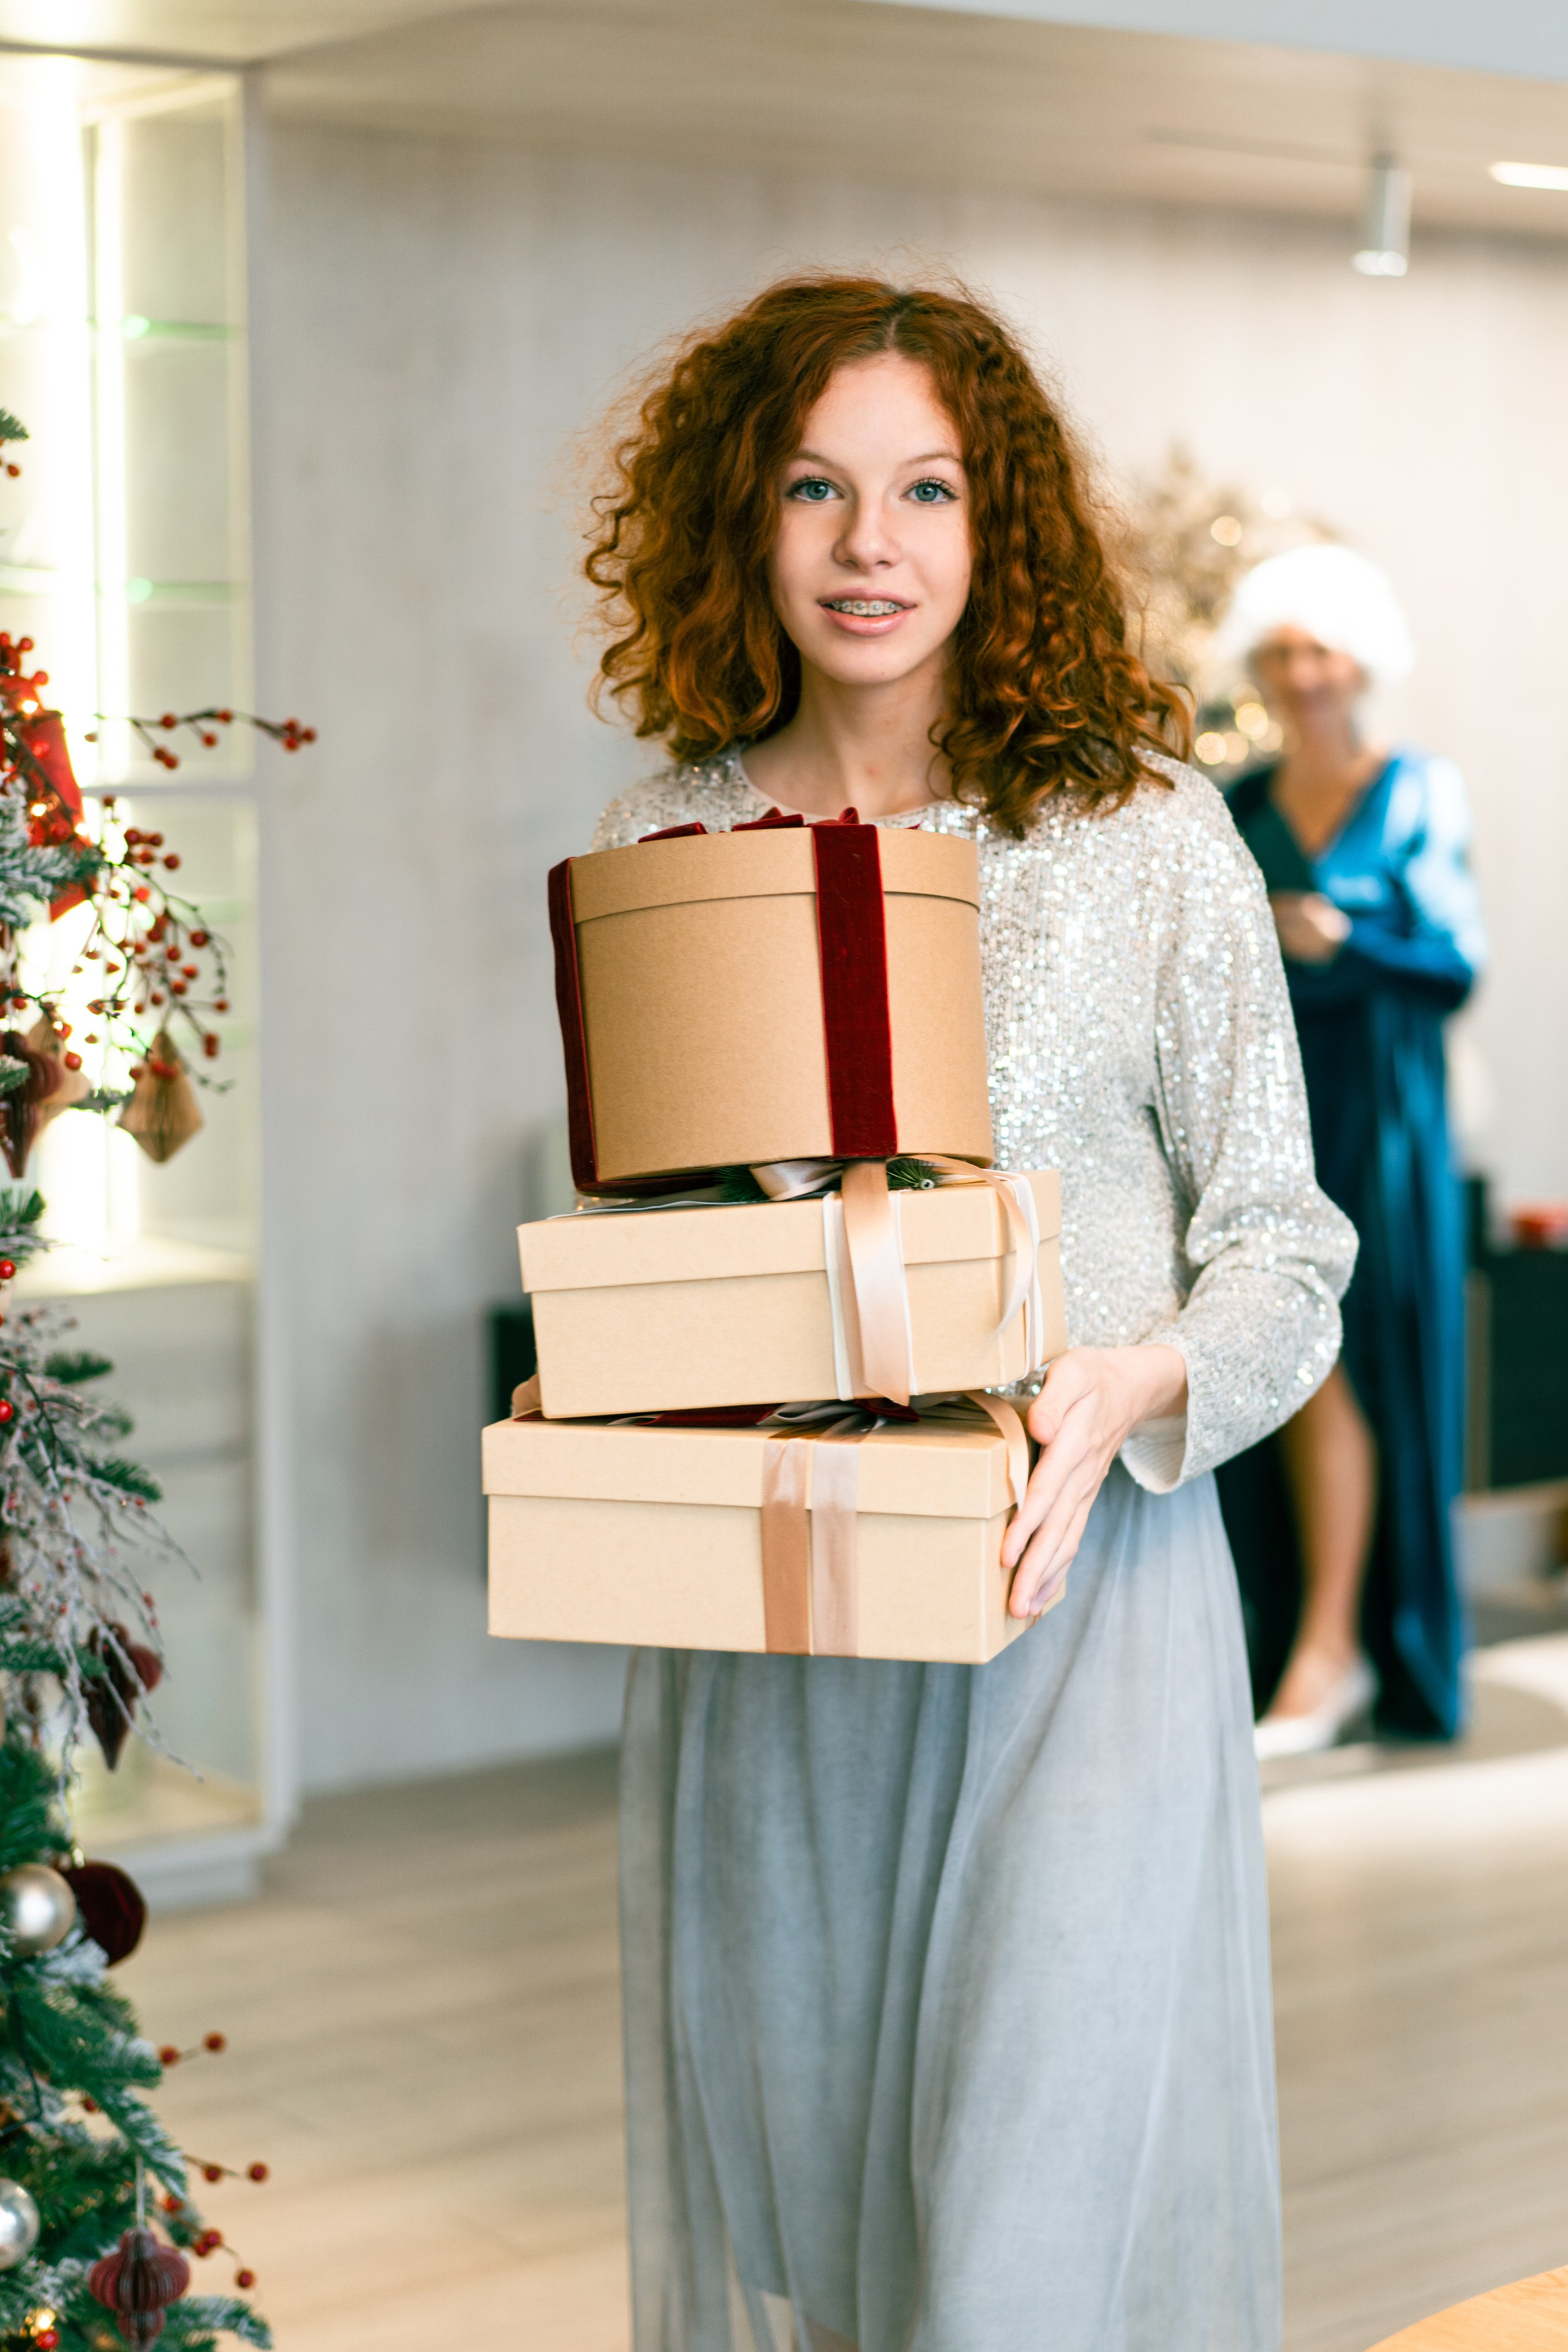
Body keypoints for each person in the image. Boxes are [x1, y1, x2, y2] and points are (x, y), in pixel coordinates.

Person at [580, 276, 1355, 2351]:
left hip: (1082, 1595)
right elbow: (653, 1269)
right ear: (744, 517)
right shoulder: (667, 845)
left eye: (926, 490)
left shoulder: (1145, 832)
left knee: (1021, 2258)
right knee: (842, 2260)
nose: (871, 544)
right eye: (820, 488)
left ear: (993, 524)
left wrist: (1127, 1382)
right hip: (801, 1642)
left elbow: (1287, 1247)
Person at [1216, 546, 1486, 1755]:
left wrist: (1342, 944)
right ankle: (1307, 1647)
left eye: (1316, 650)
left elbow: (1452, 966)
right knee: (1286, 1360)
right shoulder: (1235, 806)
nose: (1298, 674)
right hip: (1272, 1115)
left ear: (1356, 660)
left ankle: (1343, 1652)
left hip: (1381, 1119)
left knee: (1361, 1363)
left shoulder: (1417, 791)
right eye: (1278, 653)